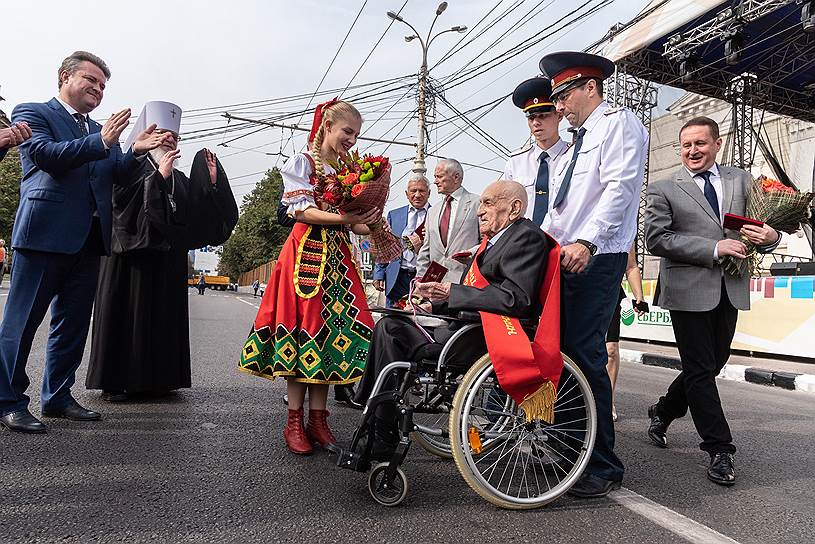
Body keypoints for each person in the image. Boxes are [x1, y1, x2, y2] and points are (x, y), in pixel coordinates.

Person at [0, 51, 166, 433]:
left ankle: (57, 396)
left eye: (103, 85)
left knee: (71, 325)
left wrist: (136, 152)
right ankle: (8, 401)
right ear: (64, 77)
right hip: (44, 233)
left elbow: (116, 176)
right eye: (91, 80)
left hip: (90, 240)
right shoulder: (34, 111)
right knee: (21, 323)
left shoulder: (96, 130)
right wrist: (103, 141)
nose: (98, 89)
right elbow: (46, 156)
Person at [355, 180, 551, 457]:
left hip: (485, 337)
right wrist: (436, 302)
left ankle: (380, 431)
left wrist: (452, 291)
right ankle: (375, 419)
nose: (479, 211)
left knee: (392, 332)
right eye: (481, 203)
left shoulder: (525, 237)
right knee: (390, 323)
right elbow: (474, 294)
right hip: (468, 327)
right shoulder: (493, 243)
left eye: (488, 203)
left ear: (514, 207)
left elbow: (515, 300)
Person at [238, 99, 383, 455]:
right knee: (303, 334)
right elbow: (300, 210)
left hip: (339, 260)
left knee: (330, 339)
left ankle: (319, 421)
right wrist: (347, 221)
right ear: (328, 126)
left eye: (356, 134)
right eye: (347, 131)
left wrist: (372, 221)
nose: (352, 139)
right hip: (307, 255)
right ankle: (293, 421)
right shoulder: (303, 162)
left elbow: (354, 221)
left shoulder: (350, 168)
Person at [644, 116, 780, 486]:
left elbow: (764, 226)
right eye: (686, 145)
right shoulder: (663, 188)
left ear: (717, 144)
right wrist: (712, 247)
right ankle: (720, 448)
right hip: (687, 289)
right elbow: (656, 239)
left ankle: (663, 410)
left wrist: (770, 235)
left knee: (711, 364)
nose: (692, 151)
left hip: (730, 287)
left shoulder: (742, 179)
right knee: (701, 368)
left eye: (700, 144)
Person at [538, 51, 649, 497]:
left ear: (590, 87)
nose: (559, 106)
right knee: (562, 355)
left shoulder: (619, 125)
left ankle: (601, 465)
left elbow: (621, 189)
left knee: (586, 356)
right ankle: (570, 452)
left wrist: (590, 242)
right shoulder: (573, 146)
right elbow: (558, 213)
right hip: (566, 256)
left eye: (564, 95)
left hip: (597, 257)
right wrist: (515, 242)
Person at [86, 101, 238, 401]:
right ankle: (117, 381)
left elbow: (200, 221)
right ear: (144, 134)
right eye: (162, 132)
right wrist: (157, 180)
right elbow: (118, 206)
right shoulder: (125, 168)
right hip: (129, 262)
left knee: (163, 320)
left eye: (174, 136)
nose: (169, 138)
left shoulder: (181, 179)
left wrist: (212, 182)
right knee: (126, 318)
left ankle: (161, 379)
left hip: (167, 263)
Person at [503, 77, 568, 227]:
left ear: (559, 115)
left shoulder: (573, 156)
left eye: (543, 116)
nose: (536, 123)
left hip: (562, 241)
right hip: (524, 242)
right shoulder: (516, 162)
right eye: (531, 117)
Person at [416, 158, 480, 283]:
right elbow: (425, 250)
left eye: (439, 177)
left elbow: (487, 242)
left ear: (456, 177)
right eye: (435, 177)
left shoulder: (477, 203)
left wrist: (470, 253)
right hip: (435, 284)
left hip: (465, 282)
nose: (435, 182)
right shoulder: (433, 211)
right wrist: (420, 280)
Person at [373, 175, 431, 307]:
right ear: (406, 193)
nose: (417, 195)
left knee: (420, 319)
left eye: (421, 191)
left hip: (422, 278)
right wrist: (379, 273)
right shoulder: (394, 215)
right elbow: (384, 246)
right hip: (396, 277)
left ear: (429, 193)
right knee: (393, 321)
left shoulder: (437, 214)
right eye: (413, 191)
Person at [605, 245, 647, 422]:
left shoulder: (624, 225)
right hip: (581, 289)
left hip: (611, 293)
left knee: (611, 350)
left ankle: (608, 401)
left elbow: (631, 266)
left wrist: (640, 298)